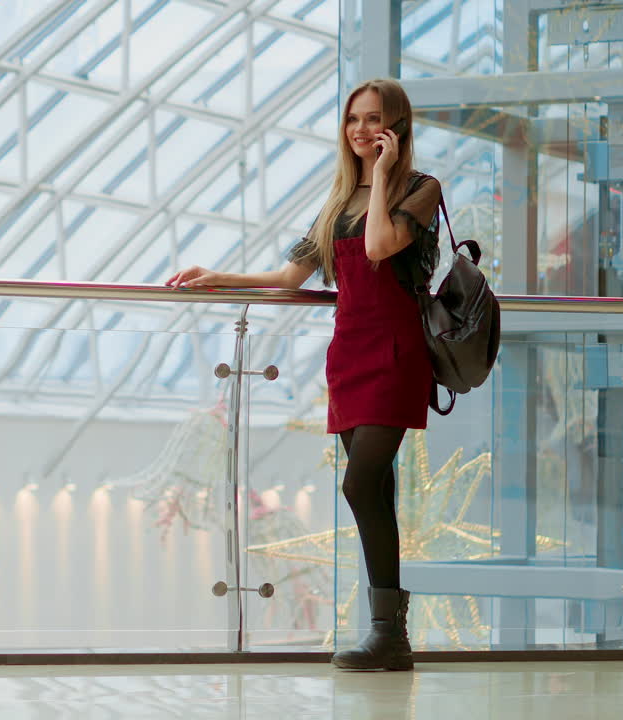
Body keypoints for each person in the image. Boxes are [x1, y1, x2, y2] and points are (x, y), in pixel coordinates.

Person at [166, 78, 442, 671]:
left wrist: (383, 176)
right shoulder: (337, 200)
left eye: (375, 121)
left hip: (397, 351)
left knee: (360, 484)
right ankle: (389, 634)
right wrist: (217, 277)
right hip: (349, 354)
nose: (362, 131)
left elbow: (377, 248)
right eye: (353, 121)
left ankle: (386, 631)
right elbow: (290, 278)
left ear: (397, 127)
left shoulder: (419, 189)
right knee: (378, 492)